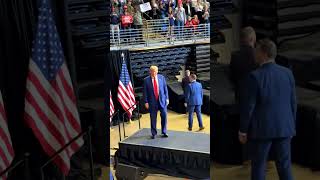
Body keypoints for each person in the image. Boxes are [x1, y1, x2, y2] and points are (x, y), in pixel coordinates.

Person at [239, 39, 296, 180]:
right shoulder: (288, 73)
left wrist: (243, 130)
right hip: (285, 127)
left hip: (263, 129)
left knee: (259, 166)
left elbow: (249, 107)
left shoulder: (255, 76)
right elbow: (293, 102)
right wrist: (292, 126)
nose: (254, 53)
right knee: (285, 167)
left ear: (263, 53)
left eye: (256, 50)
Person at [229, 26, 257, 103]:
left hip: (240, 94)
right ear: (252, 39)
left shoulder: (235, 56)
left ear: (241, 39)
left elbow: (232, 77)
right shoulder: (258, 55)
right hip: (257, 94)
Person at [143, 66, 169, 139]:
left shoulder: (162, 78)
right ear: (150, 72)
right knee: (153, 118)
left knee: (164, 116)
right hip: (152, 102)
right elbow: (145, 92)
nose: (154, 73)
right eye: (152, 71)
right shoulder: (146, 80)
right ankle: (154, 133)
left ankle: (164, 132)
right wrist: (146, 102)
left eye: (155, 71)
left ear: (157, 71)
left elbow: (165, 89)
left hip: (162, 101)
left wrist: (167, 98)